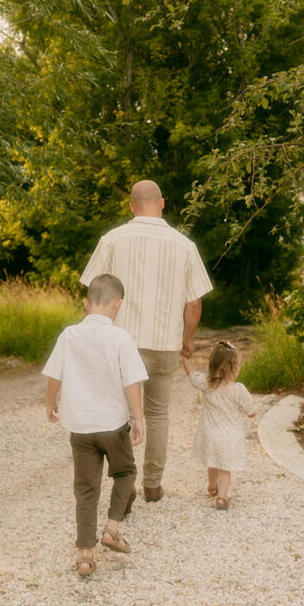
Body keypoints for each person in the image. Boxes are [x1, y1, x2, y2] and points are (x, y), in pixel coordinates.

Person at [80, 180, 212, 502]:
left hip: (118, 343)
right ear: (162, 203)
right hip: (164, 344)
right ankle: (153, 484)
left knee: (119, 414)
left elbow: (93, 292)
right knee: (157, 414)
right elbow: (194, 303)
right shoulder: (184, 245)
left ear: (131, 206)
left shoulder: (112, 240)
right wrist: (188, 339)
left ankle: (124, 485)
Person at [43, 274, 147, 577]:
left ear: (86, 303)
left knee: (86, 489)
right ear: (118, 304)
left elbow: (55, 374)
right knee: (125, 472)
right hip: (113, 425)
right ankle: (112, 529)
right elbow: (132, 381)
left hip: (81, 426)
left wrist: (50, 403)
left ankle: (85, 556)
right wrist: (138, 417)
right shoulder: (120, 338)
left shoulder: (69, 334)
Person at [182, 341, 255, 509]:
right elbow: (250, 410)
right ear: (234, 368)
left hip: (210, 434)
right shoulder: (238, 389)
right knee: (225, 468)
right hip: (229, 436)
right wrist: (251, 413)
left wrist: (185, 359)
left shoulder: (208, 384)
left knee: (213, 462)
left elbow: (191, 375)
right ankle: (222, 497)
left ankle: (212, 486)